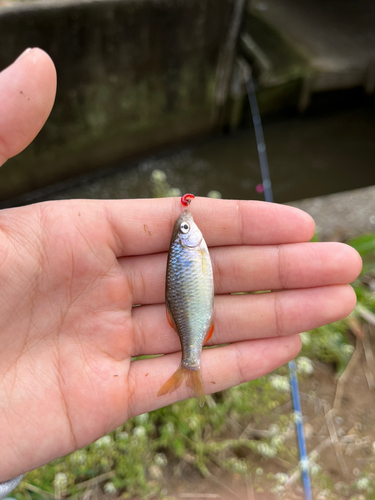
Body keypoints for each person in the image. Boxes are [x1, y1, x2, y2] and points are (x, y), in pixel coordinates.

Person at [0, 49, 362, 484]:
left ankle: (191, 361)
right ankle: (191, 363)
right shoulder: (191, 245)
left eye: (185, 230)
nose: (187, 229)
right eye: (183, 230)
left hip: (192, 311)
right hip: (194, 313)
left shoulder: (188, 245)